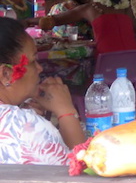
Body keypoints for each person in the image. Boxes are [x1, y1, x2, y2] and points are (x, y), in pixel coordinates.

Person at [0, 17, 86, 164]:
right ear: (6, 74)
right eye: (33, 62)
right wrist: (66, 111)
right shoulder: (26, 128)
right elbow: (82, 169)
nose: (40, 68)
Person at [37, 0, 136, 57]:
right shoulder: (129, 9)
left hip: (107, 61)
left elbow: (52, 21)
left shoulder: (90, 8)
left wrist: (29, 21)